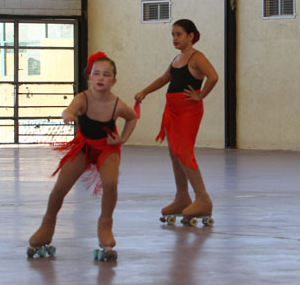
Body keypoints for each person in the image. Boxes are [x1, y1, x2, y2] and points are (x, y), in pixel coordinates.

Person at [28, 52, 137, 260]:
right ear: (89, 77)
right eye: (96, 74)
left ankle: (105, 225)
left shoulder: (118, 105)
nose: (101, 78)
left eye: (106, 75)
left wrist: (122, 138)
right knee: (60, 188)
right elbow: (70, 109)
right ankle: (47, 225)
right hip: (83, 146)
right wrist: (68, 115)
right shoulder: (83, 98)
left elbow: (132, 118)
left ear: (113, 81)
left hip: (107, 149)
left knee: (111, 183)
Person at [134, 19, 219, 224]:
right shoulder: (176, 58)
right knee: (174, 153)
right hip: (171, 110)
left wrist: (201, 96)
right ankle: (182, 197)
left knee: (184, 151)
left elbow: (213, 77)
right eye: (173, 34)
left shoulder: (197, 57)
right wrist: (145, 91)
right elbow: (165, 79)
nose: (175, 38)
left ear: (191, 36)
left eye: (179, 34)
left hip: (188, 110)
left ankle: (202, 199)